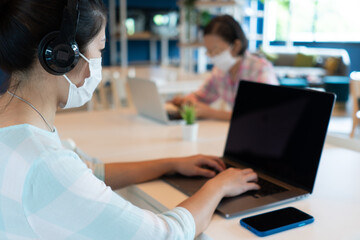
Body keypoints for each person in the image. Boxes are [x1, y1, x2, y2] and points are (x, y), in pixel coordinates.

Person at [0, 1, 260, 239]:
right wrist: (218, 187)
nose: (99, 62)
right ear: (61, 55)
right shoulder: (45, 166)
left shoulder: (20, 133)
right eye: (100, 49)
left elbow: (92, 172)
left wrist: (171, 164)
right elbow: (166, 235)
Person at [172, 15, 278, 121]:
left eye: (215, 50)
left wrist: (211, 113)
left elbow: (264, 115)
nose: (212, 56)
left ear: (236, 46)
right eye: (208, 51)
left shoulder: (261, 69)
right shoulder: (219, 72)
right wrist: (187, 101)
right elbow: (201, 97)